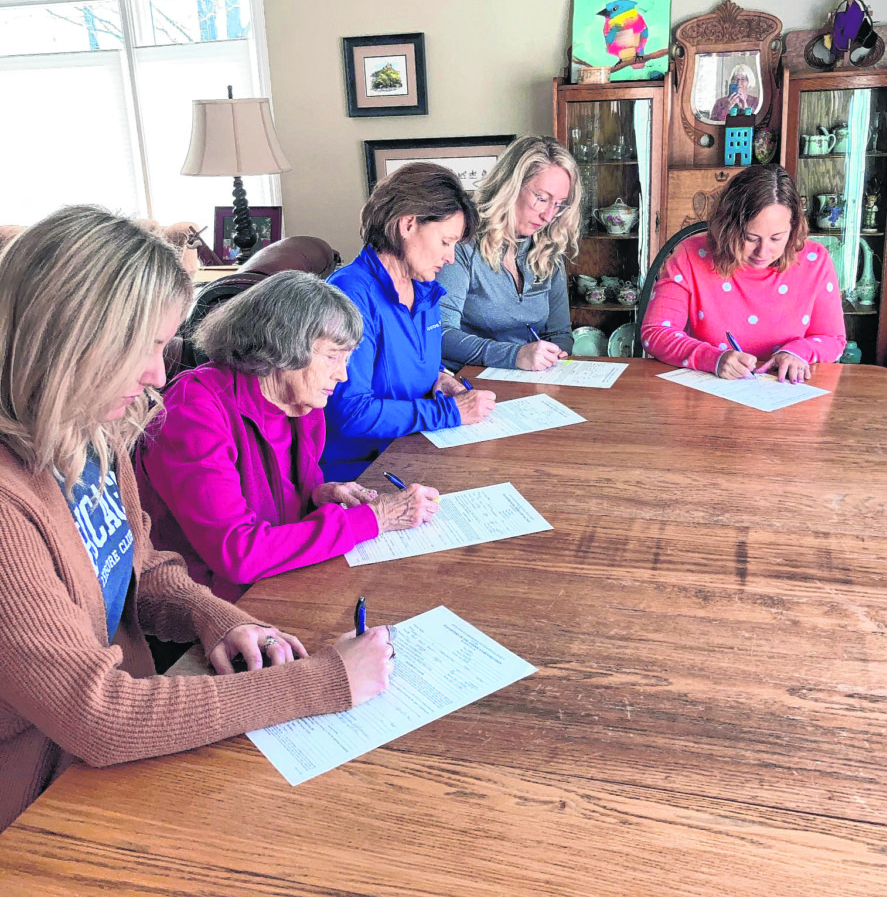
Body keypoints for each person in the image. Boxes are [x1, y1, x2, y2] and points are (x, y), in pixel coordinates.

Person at [0, 206, 394, 833]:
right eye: (145, 346)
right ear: (69, 338)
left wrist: (215, 618)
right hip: (44, 802)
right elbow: (98, 716)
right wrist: (323, 681)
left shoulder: (91, 432)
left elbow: (145, 568)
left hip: (131, 745)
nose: (158, 374)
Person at [136, 270, 438, 603]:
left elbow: (275, 513)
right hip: (210, 608)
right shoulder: (194, 411)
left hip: (277, 584)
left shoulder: (301, 404)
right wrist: (375, 518)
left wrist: (316, 497)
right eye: (333, 357)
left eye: (347, 359)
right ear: (284, 343)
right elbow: (238, 554)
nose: (343, 375)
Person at [322, 163, 497, 480]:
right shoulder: (350, 294)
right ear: (407, 224)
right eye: (445, 242)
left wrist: (439, 378)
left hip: (413, 447)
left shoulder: (425, 289)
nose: (451, 258)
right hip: (361, 469)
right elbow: (351, 413)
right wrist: (449, 412)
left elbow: (404, 363)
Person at [641, 165, 846, 381]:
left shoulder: (815, 261)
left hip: (787, 390)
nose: (763, 251)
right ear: (727, 227)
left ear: (793, 228)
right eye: (750, 238)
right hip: (709, 390)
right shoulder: (690, 256)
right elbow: (655, 333)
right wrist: (712, 359)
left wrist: (797, 353)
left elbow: (833, 339)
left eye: (776, 238)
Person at [437, 135, 581, 370]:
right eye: (541, 198)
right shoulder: (462, 243)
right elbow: (441, 334)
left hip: (528, 380)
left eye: (558, 204)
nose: (548, 216)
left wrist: (556, 352)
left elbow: (559, 332)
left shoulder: (547, 248)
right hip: (466, 380)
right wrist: (515, 355)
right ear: (510, 187)